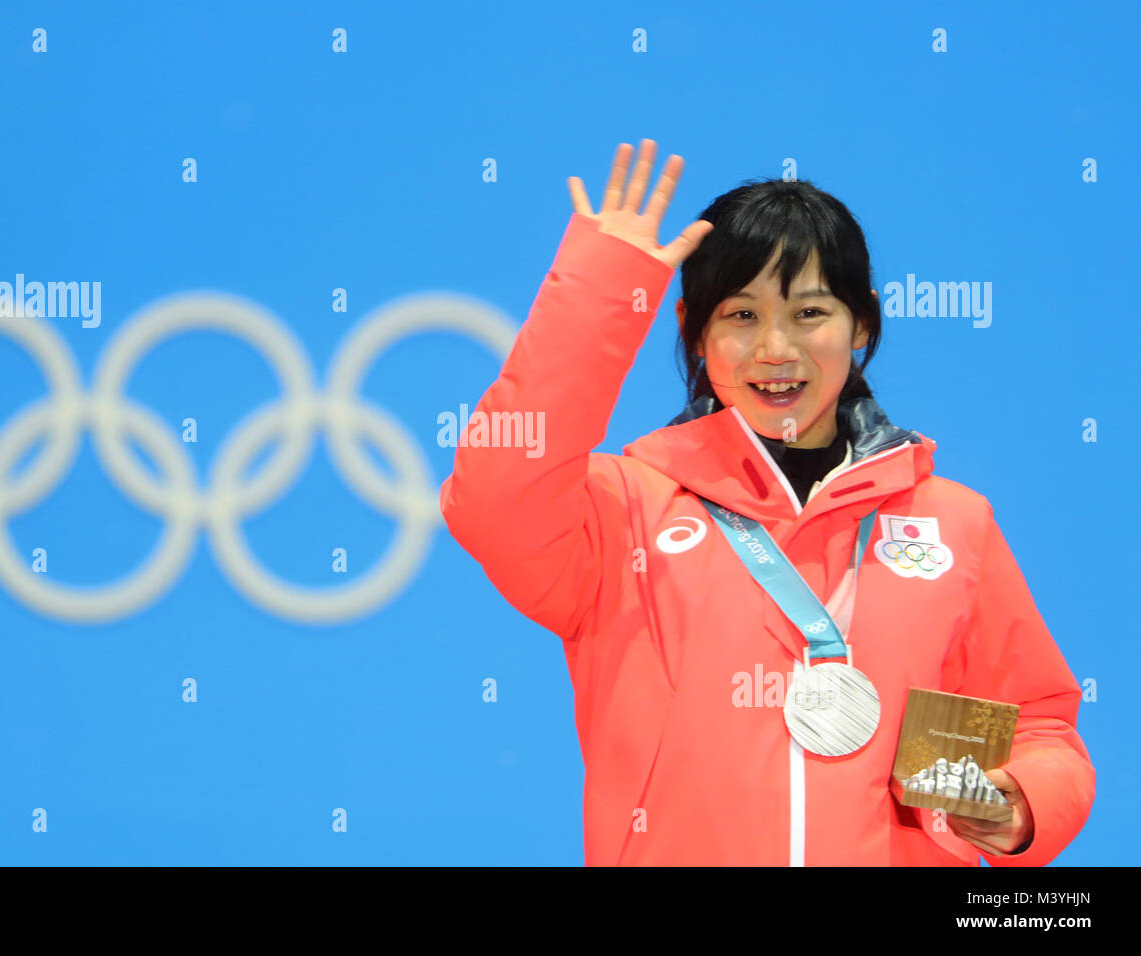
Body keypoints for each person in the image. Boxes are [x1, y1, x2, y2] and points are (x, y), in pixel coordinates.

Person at [439, 139, 1095, 866]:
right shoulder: (625, 509)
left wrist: (1022, 804)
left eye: (810, 312)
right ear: (693, 332)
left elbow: (1037, 724)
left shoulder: (951, 522)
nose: (775, 349)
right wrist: (601, 293)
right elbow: (493, 499)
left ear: (864, 323)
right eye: (740, 316)